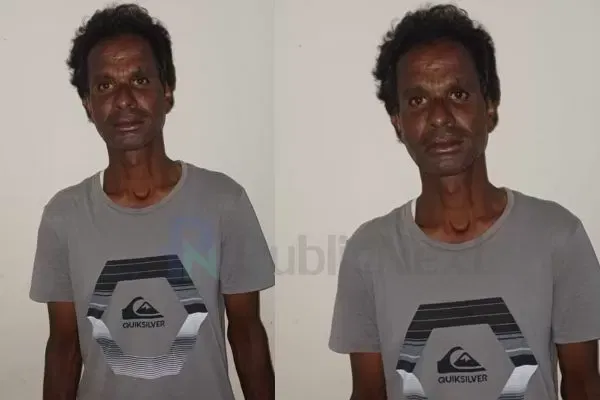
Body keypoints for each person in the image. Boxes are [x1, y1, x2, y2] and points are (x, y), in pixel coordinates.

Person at [328, 4, 600, 400]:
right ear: (397, 123)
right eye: (417, 101)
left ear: (489, 107)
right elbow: (369, 392)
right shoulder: (368, 252)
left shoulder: (558, 236)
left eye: (457, 94)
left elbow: (584, 384)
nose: (440, 117)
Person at [29, 4, 274, 400]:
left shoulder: (223, 202)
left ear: (167, 91)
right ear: (88, 104)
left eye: (140, 80)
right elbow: (63, 347)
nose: (124, 100)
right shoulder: (64, 216)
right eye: (105, 86)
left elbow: (247, 333)